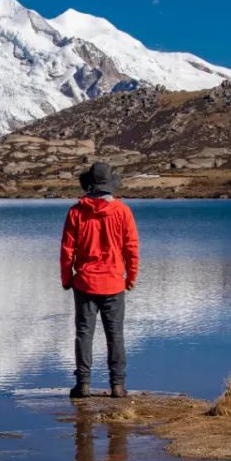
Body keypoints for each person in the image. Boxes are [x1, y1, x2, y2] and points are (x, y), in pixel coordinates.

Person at [60, 162, 139, 399]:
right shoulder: (123, 212)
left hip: (84, 283)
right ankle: (117, 386)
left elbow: (67, 251)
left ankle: (83, 384)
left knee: (84, 333)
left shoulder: (76, 212)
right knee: (115, 334)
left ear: (89, 185)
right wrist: (131, 276)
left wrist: (67, 279)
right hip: (114, 282)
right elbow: (131, 248)